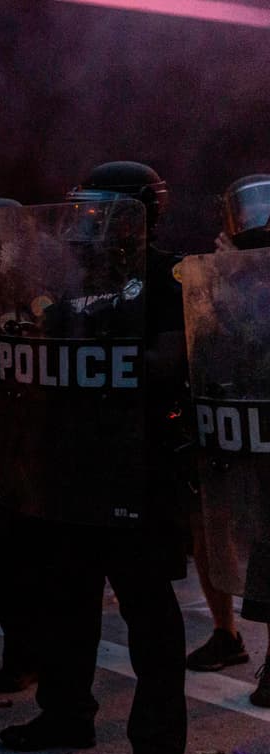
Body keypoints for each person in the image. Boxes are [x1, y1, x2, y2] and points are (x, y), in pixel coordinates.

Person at [0, 162, 189, 754]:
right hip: (73, 467)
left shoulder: (164, 278)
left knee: (149, 620)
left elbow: (172, 358)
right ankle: (65, 712)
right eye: (78, 212)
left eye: (97, 212)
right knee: (65, 602)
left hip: (138, 472)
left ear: (136, 214)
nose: (83, 226)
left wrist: (108, 353)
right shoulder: (72, 281)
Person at [183, 174, 270, 708]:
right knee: (217, 530)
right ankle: (226, 633)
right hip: (235, 426)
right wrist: (218, 282)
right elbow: (209, 338)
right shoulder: (219, 273)